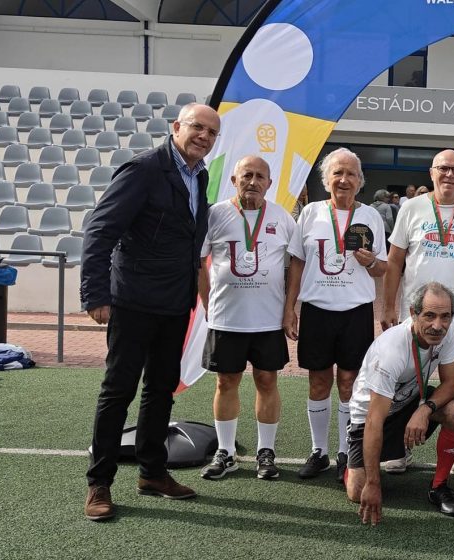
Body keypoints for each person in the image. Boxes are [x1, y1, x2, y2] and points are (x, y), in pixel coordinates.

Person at [80, 103, 220, 521]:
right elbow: (99, 230)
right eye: (198, 127)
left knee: (161, 390)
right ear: (177, 127)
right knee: (118, 391)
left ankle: (152, 473)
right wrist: (95, 294)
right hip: (134, 301)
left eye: (212, 133)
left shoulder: (200, 175)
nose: (204, 137)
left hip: (175, 304)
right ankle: (99, 483)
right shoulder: (143, 170)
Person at [382, 149, 454, 475]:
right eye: (443, 168)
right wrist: (388, 306)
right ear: (432, 173)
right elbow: (394, 261)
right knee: (403, 384)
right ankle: (398, 449)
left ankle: (452, 451)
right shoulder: (411, 209)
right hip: (413, 315)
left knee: (452, 384)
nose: (449, 175)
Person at [285, 147, 388, 482]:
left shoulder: (371, 216)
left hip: (356, 310)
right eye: (337, 173)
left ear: (360, 182)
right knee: (317, 381)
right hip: (317, 309)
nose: (344, 179)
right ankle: (319, 452)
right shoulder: (311, 213)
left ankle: (346, 452)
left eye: (351, 174)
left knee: (349, 382)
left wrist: (370, 261)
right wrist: (291, 307)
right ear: (326, 180)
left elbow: (382, 268)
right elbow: (297, 264)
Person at [197, 156, 297, 481]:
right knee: (226, 381)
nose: (253, 181)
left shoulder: (282, 217)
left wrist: (288, 309)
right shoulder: (215, 215)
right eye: (246, 175)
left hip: (268, 321)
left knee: (267, 382)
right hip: (227, 319)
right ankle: (225, 452)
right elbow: (200, 263)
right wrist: (207, 305)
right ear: (234, 180)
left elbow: (296, 264)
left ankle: (265, 452)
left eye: (260, 176)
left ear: (270, 183)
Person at [347, 282, 454, 522]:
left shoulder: (448, 332)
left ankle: (439, 485)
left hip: (411, 403)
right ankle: (352, 467)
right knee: (358, 492)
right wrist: (373, 483)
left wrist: (424, 410)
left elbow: (452, 383)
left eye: (445, 316)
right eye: (429, 316)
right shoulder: (391, 349)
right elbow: (373, 420)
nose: (437, 325)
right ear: (413, 313)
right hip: (370, 418)